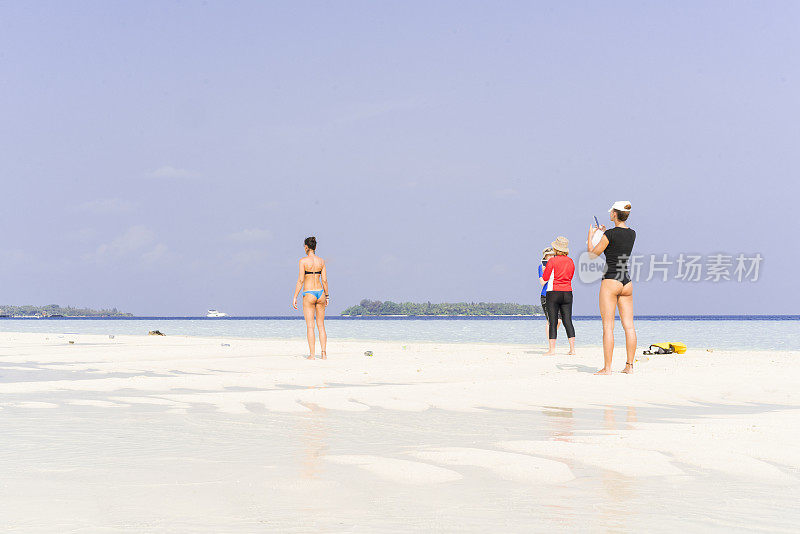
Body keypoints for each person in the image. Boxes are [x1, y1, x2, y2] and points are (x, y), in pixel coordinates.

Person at [587, 201, 637, 374]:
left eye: (611, 212)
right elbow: (617, 244)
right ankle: (629, 366)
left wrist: (591, 235)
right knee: (629, 326)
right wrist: (602, 234)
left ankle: (607, 368)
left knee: (608, 327)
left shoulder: (609, 234)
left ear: (615, 214)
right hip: (626, 281)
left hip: (611, 280)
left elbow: (593, 255)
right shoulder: (632, 234)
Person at [292, 236, 329, 359]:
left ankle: (312, 355)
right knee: (321, 325)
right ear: (315, 247)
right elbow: (324, 280)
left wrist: (295, 296)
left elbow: (301, 280)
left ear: (306, 247)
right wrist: (327, 296)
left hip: (309, 293)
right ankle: (323, 354)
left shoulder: (303, 261)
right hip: (321, 292)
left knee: (310, 326)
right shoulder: (321, 261)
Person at [541, 236, 576, 355]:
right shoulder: (571, 261)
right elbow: (570, 276)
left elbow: (545, 277)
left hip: (553, 292)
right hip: (567, 292)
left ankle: (552, 350)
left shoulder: (552, 261)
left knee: (553, 321)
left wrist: (545, 269)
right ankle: (572, 349)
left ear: (556, 249)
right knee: (567, 321)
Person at [538, 247, 563, 340]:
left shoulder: (558, 265)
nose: (552, 257)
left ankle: (552, 336)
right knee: (550, 321)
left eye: (553, 255)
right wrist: (548, 272)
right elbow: (542, 282)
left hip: (557, 294)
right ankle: (551, 341)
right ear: (545, 257)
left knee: (559, 320)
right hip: (546, 295)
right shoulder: (541, 267)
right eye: (550, 256)